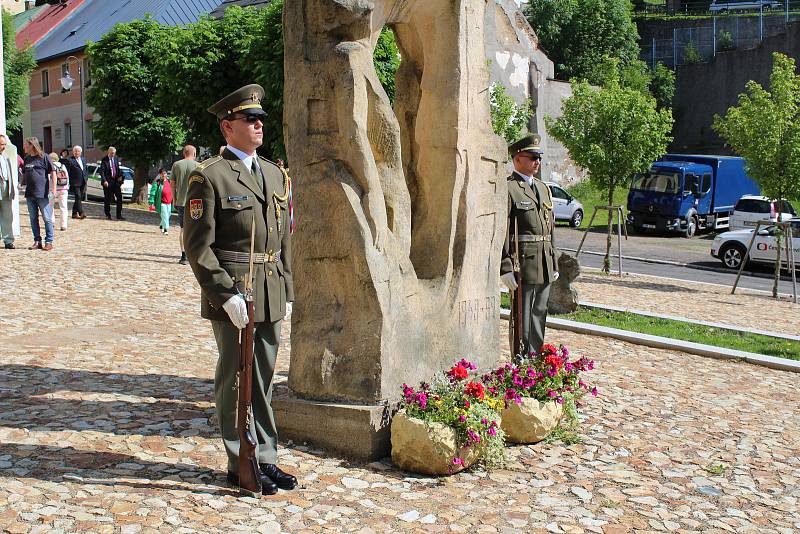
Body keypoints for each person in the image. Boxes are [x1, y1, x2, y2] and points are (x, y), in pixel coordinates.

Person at [183, 84, 295, 496]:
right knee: (235, 378)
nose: (259, 124)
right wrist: (223, 294)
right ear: (228, 127)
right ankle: (239, 460)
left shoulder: (272, 172)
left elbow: (284, 237)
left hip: (269, 289)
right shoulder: (208, 175)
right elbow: (197, 245)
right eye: (250, 119)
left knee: (263, 378)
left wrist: (289, 284)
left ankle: (265, 456)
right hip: (235, 292)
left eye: (260, 118)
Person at [500, 134, 558, 359]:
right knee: (522, 317)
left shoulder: (544, 189)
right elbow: (503, 229)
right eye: (532, 157)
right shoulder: (509, 188)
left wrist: (553, 260)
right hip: (522, 263)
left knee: (539, 313)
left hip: (543, 262)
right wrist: (505, 267)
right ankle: (520, 359)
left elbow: (551, 228)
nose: (537, 162)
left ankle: (534, 357)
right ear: (517, 160)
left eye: (539, 157)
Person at [21, 137, 56, 251]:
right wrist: (20, 183)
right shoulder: (26, 159)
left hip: (43, 194)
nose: (24, 147)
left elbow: (53, 173)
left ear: (32, 145)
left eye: (26, 145)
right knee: (33, 218)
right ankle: (37, 241)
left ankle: (49, 241)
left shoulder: (44, 157)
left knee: (47, 218)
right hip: (30, 194)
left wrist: (54, 189)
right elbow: (25, 174)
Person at [170, 144, 198, 264]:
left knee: (183, 229)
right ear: (195, 154)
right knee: (195, 229)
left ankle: (183, 256)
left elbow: (172, 183)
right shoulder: (198, 166)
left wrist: (174, 199)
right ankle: (194, 254)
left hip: (181, 201)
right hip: (195, 202)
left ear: (183, 153)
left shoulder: (177, 165)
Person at [0, 135, 17, 249]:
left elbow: (10, 175)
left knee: (8, 215)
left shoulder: (5, 157)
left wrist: (12, 190)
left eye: (5, 144)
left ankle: (8, 240)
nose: (4, 147)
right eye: (2, 144)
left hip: (6, 187)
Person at [100, 146, 124, 220]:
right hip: (108, 182)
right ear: (108, 152)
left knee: (119, 197)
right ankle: (108, 214)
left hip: (115, 181)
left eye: (114, 153)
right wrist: (104, 181)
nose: (113, 155)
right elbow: (102, 172)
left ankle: (119, 215)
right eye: (112, 153)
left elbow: (117, 169)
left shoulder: (116, 159)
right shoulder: (104, 160)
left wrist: (121, 176)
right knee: (108, 199)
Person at [64, 145, 87, 219]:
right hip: (75, 181)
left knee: (79, 197)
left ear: (80, 152)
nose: (76, 153)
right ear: (73, 152)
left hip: (83, 181)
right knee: (78, 196)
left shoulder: (83, 159)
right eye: (75, 151)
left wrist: (86, 177)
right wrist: (68, 181)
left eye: (78, 151)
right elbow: (67, 171)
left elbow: (85, 169)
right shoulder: (70, 160)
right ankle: (81, 212)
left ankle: (74, 213)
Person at [148, 168, 173, 234]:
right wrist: (151, 203)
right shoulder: (157, 183)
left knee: (168, 215)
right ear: (160, 174)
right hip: (162, 203)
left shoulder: (169, 182)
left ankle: (162, 225)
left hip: (169, 202)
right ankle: (165, 229)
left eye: (165, 173)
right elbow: (153, 193)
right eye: (162, 174)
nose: (164, 175)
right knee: (165, 216)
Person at [49, 152, 70, 231]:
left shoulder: (50, 166)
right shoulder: (62, 165)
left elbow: (48, 178)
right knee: (63, 207)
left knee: (50, 206)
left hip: (51, 190)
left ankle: (52, 223)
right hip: (63, 189)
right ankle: (63, 225)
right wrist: (67, 187)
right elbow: (67, 176)